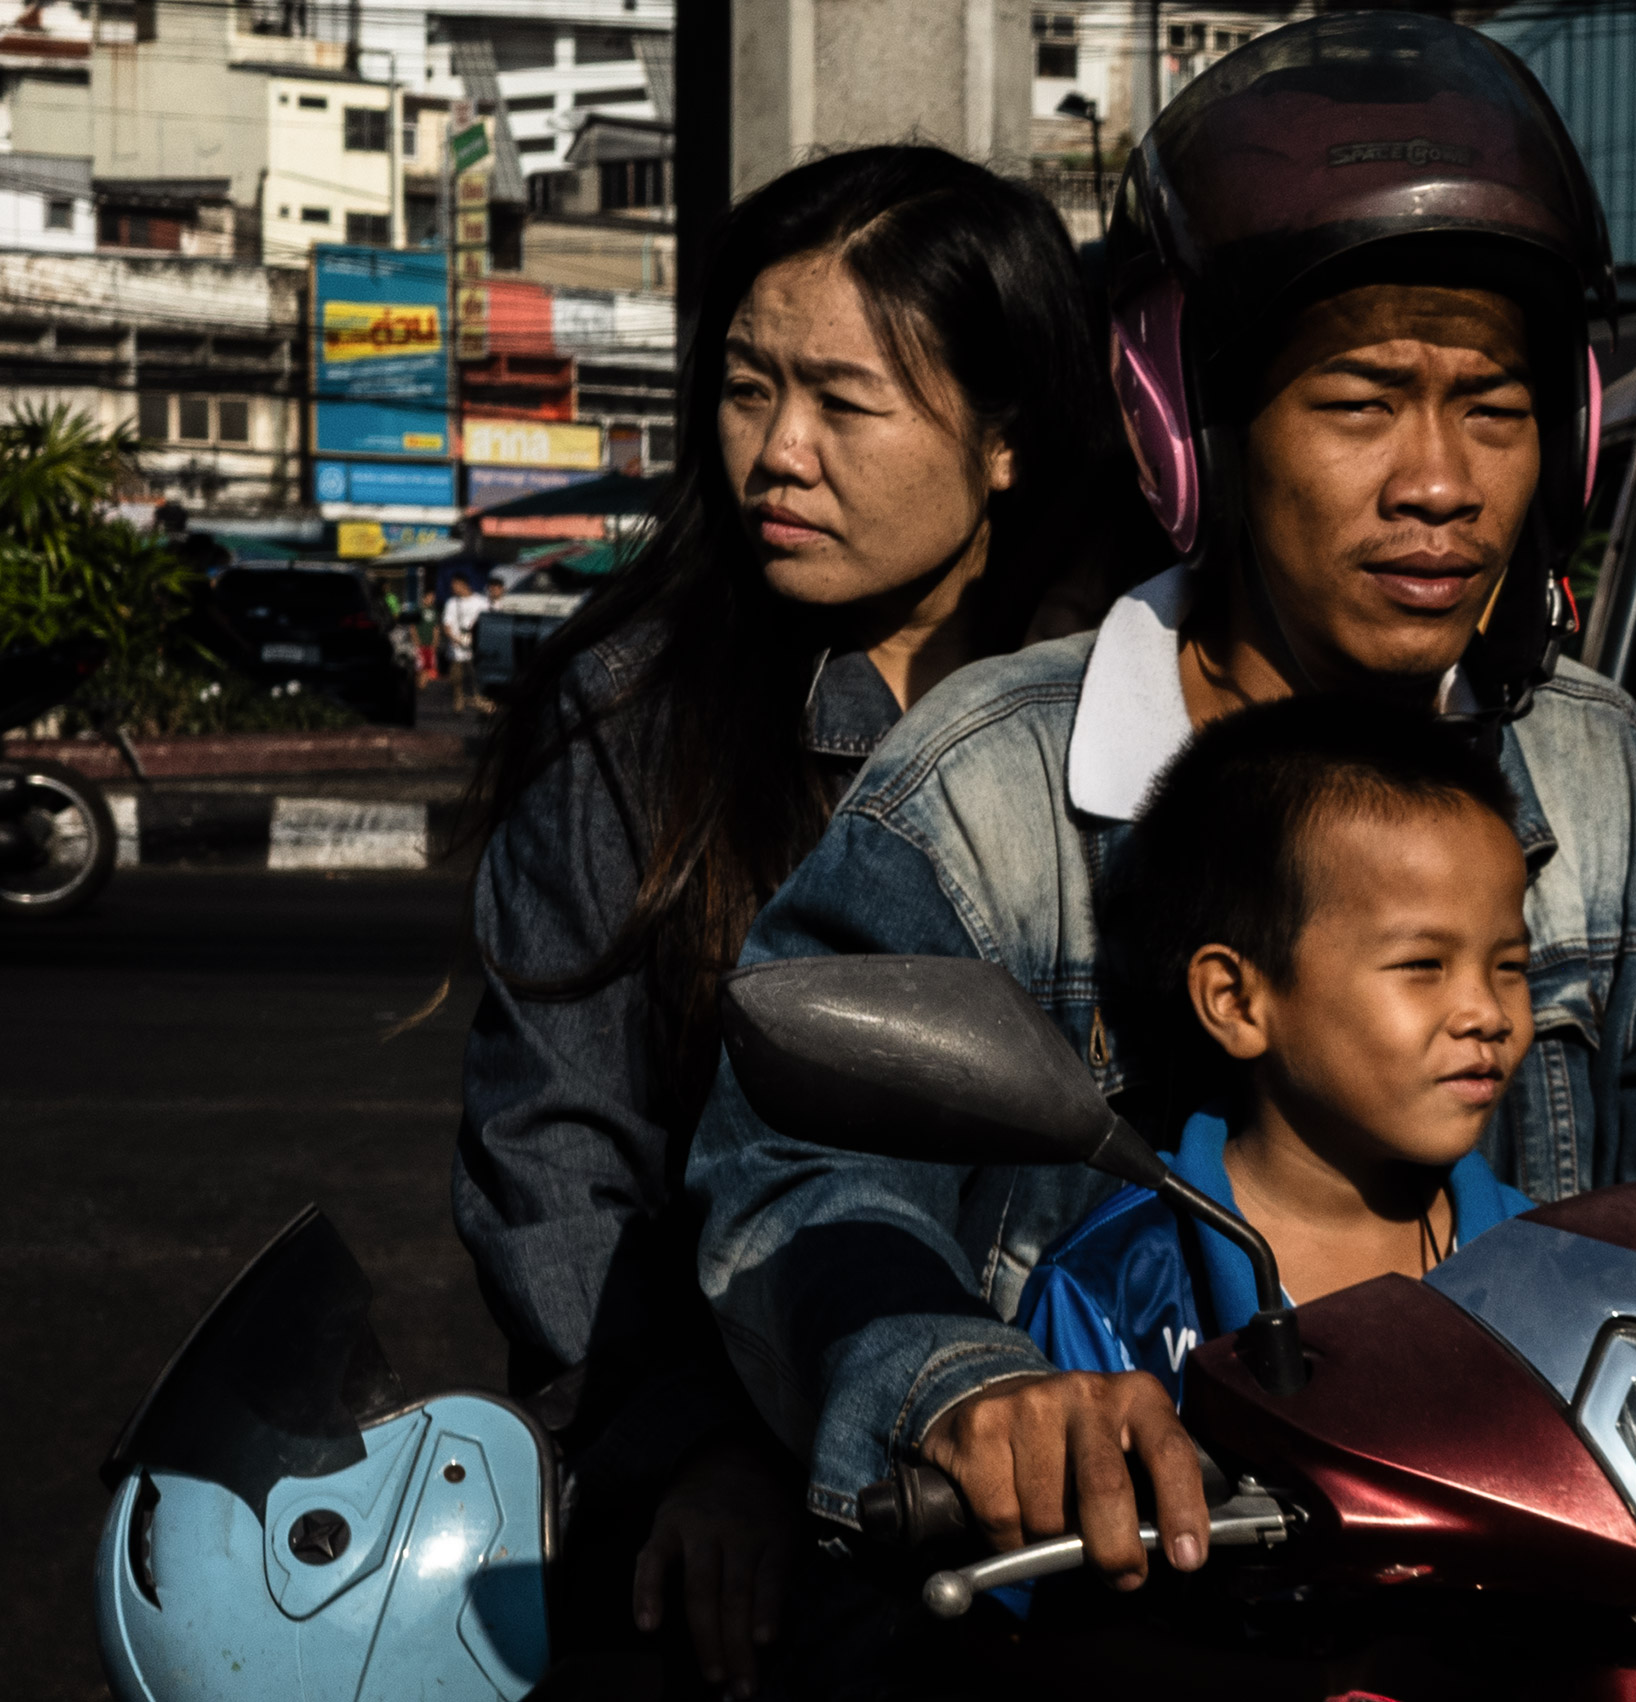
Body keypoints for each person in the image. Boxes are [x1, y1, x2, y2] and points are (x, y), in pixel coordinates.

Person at [687, 12, 1636, 1608]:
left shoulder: (1611, 792)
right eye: (1360, 403)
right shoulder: (987, 795)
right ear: (1192, 432)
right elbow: (801, 1184)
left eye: (1496, 409)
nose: (1440, 482)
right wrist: (964, 1389)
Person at [451, 145, 1114, 1700]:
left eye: (843, 400)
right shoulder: (637, 723)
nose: (779, 454)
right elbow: (559, 1158)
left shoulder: (1130, 712)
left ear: (1006, 435)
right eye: (749, 389)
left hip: (1114, 1495)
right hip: (769, 1506)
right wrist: (692, 1449)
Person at [1021, 698, 1538, 1396]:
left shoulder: (1556, 1272)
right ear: (1235, 1001)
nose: (1487, 1012)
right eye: (1423, 966)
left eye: (1511, 967)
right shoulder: (1114, 1288)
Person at [440, 570, 489, 711]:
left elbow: (485, 623)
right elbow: (446, 625)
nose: (452, 588)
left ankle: (479, 699)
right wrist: (455, 639)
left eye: (454, 585)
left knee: (476, 676)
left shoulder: (481, 602)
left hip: (475, 648)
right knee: (456, 678)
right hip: (456, 648)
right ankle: (458, 700)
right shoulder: (451, 603)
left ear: (463, 584)